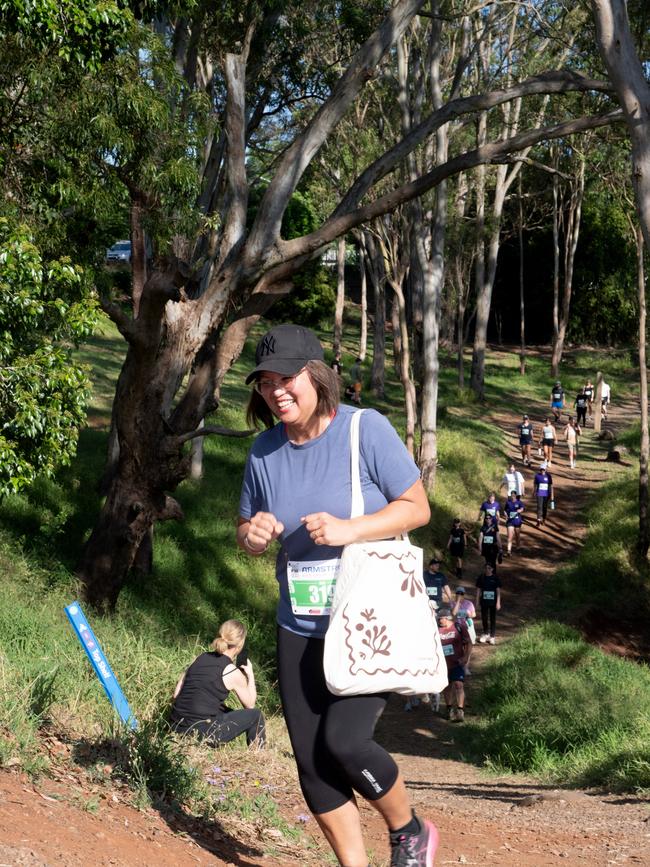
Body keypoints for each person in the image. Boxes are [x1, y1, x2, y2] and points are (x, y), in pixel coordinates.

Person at [238, 323, 438, 867]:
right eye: (265, 383)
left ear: (317, 376)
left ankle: (409, 829)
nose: (276, 391)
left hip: (366, 626)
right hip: (298, 626)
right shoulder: (262, 452)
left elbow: (417, 507)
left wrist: (352, 529)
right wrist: (252, 534)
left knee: (345, 744)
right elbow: (247, 525)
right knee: (312, 764)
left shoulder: (363, 430)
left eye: (288, 379)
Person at [170, 619, 265, 748]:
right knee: (256, 715)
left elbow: (176, 694)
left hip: (175, 727)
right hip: (200, 734)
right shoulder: (232, 672)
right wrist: (250, 675)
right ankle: (258, 755)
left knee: (224, 710)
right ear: (240, 644)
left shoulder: (200, 658)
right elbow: (250, 704)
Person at [437, 608, 470, 722]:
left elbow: (468, 643)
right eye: (438, 619)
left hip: (457, 662)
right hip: (443, 664)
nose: (439, 621)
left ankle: (460, 711)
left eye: (441, 619)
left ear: (447, 618)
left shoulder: (459, 627)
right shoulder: (436, 630)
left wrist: (465, 657)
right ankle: (449, 709)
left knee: (458, 685)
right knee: (447, 686)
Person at [451, 587, 476, 674]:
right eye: (458, 593)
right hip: (457, 627)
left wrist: (469, 615)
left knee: (469, 646)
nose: (459, 595)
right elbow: (453, 613)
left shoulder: (469, 603)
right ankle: (459, 666)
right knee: (459, 647)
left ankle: (466, 666)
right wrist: (457, 602)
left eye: (461, 594)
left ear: (464, 595)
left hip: (468, 626)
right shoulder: (452, 603)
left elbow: (474, 614)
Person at [475, 563, 502, 645]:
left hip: (493, 602)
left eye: (489, 568)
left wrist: (498, 602)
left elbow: (498, 591)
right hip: (484, 601)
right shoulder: (481, 577)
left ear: (492, 569)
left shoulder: (495, 578)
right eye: (486, 568)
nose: (487, 569)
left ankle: (492, 636)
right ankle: (486, 633)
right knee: (484, 618)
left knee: (492, 618)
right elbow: (478, 590)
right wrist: (477, 600)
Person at [502, 490, 524, 556]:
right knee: (510, 536)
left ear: (516, 496)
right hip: (510, 521)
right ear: (510, 496)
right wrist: (505, 515)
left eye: (514, 495)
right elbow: (505, 510)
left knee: (517, 535)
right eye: (512, 495)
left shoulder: (519, 502)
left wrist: (520, 510)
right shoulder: (508, 502)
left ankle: (518, 547)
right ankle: (509, 551)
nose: (513, 496)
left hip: (517, 521)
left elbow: (522, 508)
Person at [533, 461, 553, 527]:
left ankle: (543, 519)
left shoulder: (548, 476)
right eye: (541, 469)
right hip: (539, 493)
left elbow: (551, 486)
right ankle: (538, 520)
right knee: (539, 507)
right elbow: (535, 485)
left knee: (544, 507)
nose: (542, 471)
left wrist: (552, 495)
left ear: (545, 469)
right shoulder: (537, 476)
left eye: (543, 469)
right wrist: (534, 492)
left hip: (546, 494)